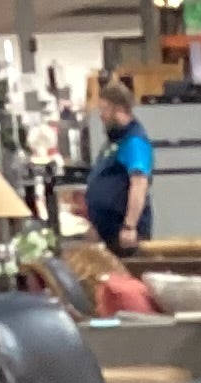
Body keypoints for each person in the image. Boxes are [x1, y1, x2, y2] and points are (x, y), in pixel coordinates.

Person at [85, 80, 154, 255]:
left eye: (104, 109)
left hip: (124, 236)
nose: (101, 115)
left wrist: (130, 226)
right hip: (107, 233)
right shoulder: (114, 141)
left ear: (120, 109)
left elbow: (139, 184)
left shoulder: (135, 142)